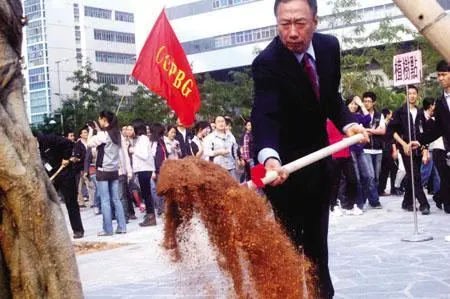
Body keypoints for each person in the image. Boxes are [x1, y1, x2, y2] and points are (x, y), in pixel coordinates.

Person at [250, 0, 367, 297]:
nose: (291, 32)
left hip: (318, 166)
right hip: (283, 172)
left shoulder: (329, 48)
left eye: (299, 23)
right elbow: (265, 116)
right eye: (283, 24)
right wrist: (270, 159)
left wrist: (347, 123)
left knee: (317, 249)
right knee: (288, 249)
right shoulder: (267, 63)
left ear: (314, 21)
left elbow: (330, 97)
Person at [411, 60, 450, 216]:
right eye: (439, 75)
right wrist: (420, 141)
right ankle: (444, 201)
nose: (441, 78)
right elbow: (437, 129)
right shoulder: (440, 102)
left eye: (444, 74)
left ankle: (441, 198)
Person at [387, 85, 430, 215]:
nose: (412, 96)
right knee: (415, 176)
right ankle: (424, 204)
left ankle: (406, 203)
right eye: (409, 93)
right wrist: (403, 144)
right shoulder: (400, 112)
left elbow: (424, 133)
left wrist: (424, 150)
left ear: (417, 95)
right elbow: (391, 131)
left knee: (413, 176)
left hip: (418, 148)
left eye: (414, 93)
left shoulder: (421, 112)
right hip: (406, 149)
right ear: (406, 95)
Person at [37, 132, 84, 239]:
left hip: (65, 174)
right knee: (48, 203)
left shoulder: (48, 138)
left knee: (71, 202)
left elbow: (68, 143)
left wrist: (65, 157)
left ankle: (78, 230)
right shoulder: (30, 148)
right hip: (52, 176)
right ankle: (53, 233)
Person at [87, 111, 127, 236]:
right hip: (114, 169)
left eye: (100, 119)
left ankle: (108, 229)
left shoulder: (104, 134)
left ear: (104, 120)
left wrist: (90, 131)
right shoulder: (117, 134)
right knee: (116, 199)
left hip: (103, 170)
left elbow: (89, 143)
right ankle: (122, 227)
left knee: (105, 200)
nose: (99, 121)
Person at [129, 119, 157, 227]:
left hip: (145, 169)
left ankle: (151, 216)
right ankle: (149, 215)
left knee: (146, 194)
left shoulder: (143, 139)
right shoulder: (140, 139)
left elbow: (144, 155)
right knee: (145, 194)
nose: (131, 131)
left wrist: (133, 150)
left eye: (132, 128)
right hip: (142, 169)